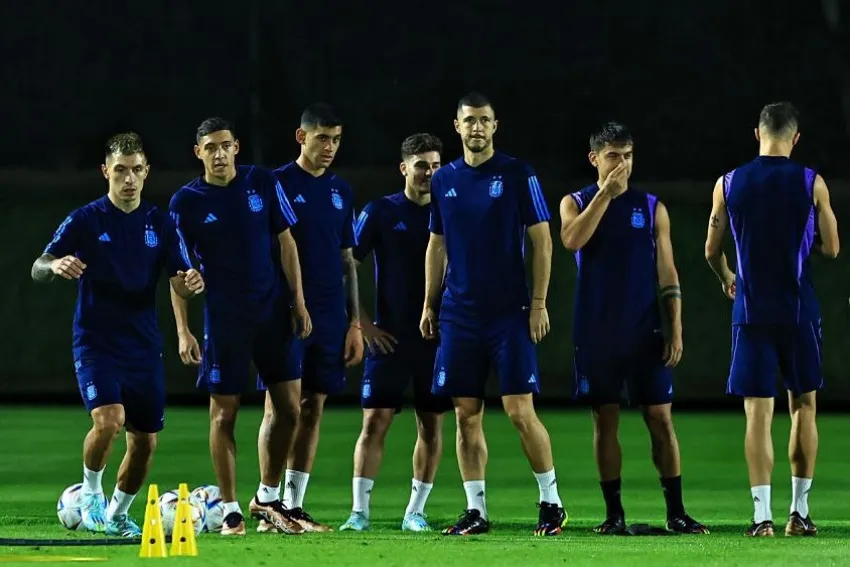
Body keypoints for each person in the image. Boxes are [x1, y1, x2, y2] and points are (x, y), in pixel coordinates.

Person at [31, 132, 204, 537]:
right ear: (105, 171)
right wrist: (54, 267)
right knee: (109, 420)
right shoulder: (85, 219)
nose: (129, 179)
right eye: (121, 171)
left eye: (137, 171)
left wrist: (190, 282)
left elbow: (179, 279)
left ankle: (117, 516)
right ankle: (90, 492)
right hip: (96, 342)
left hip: (142, 347)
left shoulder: (161, 222)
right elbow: (39, 264)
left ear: (146, 173)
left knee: (145, 443)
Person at [420, 92, 567, 536]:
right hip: (459, 315)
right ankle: (477, 510)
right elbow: (438, 244)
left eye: (484, 120)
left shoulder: (518, 174)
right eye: (470, 121)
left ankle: (551, 502)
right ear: (457, 126)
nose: (477, 128)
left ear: (495, 126)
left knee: (521, 411)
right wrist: (429, 302)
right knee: (466, 414)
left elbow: (543, 239)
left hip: (509, 314)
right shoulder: (444, 179)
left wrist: (539, 303)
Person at [559, 122, 709, 536]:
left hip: (645, 333)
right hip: (596, 333)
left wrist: (675, 328)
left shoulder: (652, 206)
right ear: (595, 159)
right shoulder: (575, 202)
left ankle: (676, 511)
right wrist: (605, 196)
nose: (621, 164)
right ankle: (614, 514)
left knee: (661, 419)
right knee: (604, 421)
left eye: (627, 155)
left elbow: (667, 273)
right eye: (613, 155)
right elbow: (572, 241)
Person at [169, 117, 311, 537]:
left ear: (236, 147)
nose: (218, 154)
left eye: (225, 145)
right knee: (223, 415)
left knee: (290, 408)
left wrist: (298, 301)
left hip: (272, 314)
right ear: (198, 153)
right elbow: (178, 274)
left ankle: (267, 498)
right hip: (226, 321)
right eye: (209, 147)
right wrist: (183, 329)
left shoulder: (262, 183)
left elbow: (287, 242)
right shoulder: (185, 202)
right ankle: (230, 509)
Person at [704, 102, 839, 538]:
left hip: (752, 312)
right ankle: (798, 514)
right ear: (795, 138)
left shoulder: (728, 183)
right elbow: (833, 248)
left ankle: (761, 516)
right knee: (803, 407)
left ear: (756, 133)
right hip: (799, 311)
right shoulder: (811, 182)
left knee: (757, 415)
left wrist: (728, 277)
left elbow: (711, 249)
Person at [256, 103, 364, 534]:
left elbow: (347, 261)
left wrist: (355, 322)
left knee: (313, 408)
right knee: (281, 408)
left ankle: (294, 505)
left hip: (330, 316)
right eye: (322, 138)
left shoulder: (341, 191)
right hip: (283, 313)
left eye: (336, 139)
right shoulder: (274, 184)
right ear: (301, 138)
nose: (330, 147)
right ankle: (268, 501)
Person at [339, 133, 452, 533]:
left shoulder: (451, 212)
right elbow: (346, 263)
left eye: (436, 165)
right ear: (404, 168)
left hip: (436, 339)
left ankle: (414, 512)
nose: (429, 173)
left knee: (431, 424)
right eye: (421, 165)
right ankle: (359, 513)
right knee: (374, 422)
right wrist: (362, 322)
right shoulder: (380, 211)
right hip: (388, 339)